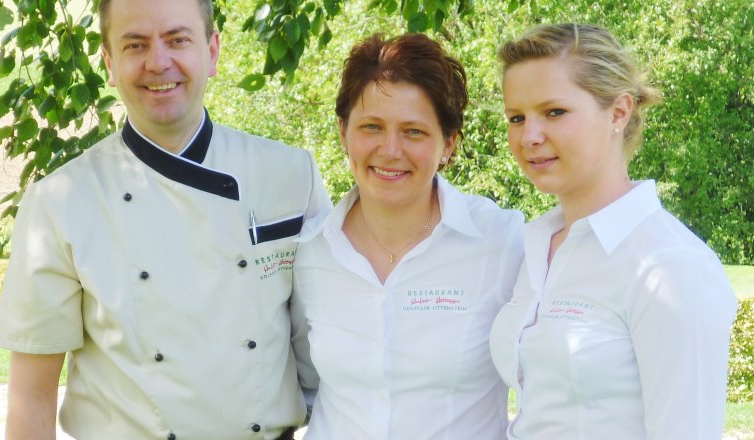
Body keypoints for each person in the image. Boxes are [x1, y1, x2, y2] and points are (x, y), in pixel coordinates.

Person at [0, 0, 330, 438]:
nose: (158, 62)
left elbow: (331, 354)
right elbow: (32, 397)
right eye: (136, 45)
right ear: (110, 64)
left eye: (177, 40)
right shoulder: (60, 201)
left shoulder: (290, 175)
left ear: (212, 51)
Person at [489, 23, 738, 439]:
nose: (529, 137)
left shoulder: (669, 266)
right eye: (517, 117)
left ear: (619, 112)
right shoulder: (535, 246)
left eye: (554, 112)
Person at [289, 33, 524, 440]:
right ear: (344, 132)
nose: (390, 149)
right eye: (371, 127)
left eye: (414, 132)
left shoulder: (503, 243)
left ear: (448, 144)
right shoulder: (310, 251)